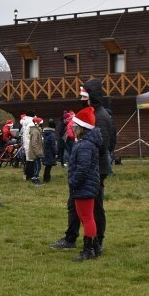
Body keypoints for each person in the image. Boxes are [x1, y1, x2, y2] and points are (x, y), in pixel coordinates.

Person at [50, 80, 113, 255]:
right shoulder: (89, 113)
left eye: (84, 96)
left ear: (91, 97)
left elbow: (103, 145)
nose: (81, 99)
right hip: (84, 167)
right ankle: (71, 237)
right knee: (74, 204)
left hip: (95, 169)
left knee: (95, 207)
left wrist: (84, 155)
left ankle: (97, 241)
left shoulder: (101, 116)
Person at [66, 107, 102, 262]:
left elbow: (83, 168)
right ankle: (94, 247)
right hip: (85, 185)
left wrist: (73, 182)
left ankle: (88, 250)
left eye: (75, 126)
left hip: (83, 186)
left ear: (82, 128)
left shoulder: (85, 145)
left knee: (87, 218)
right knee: (86, 217)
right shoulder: (85, 143)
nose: (73, 129)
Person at [25, 117, 44, 185]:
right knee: (37, 166)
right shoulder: (35, 131)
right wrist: (38, 152)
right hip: (35, 153)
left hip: (36, 152)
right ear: (38, 123)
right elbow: (34, 143)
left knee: (38, 166)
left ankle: (36, 178)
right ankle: (34, 179)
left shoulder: (36, 130)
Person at [42, 118, 58, 183]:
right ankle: (47, 178)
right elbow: (53, 145)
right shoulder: (52, 135)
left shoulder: (46, 133)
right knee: (49, 166)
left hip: (46, 151)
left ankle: (45, 177)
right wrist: (56, 153)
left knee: (47, 166)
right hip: (50, 152)